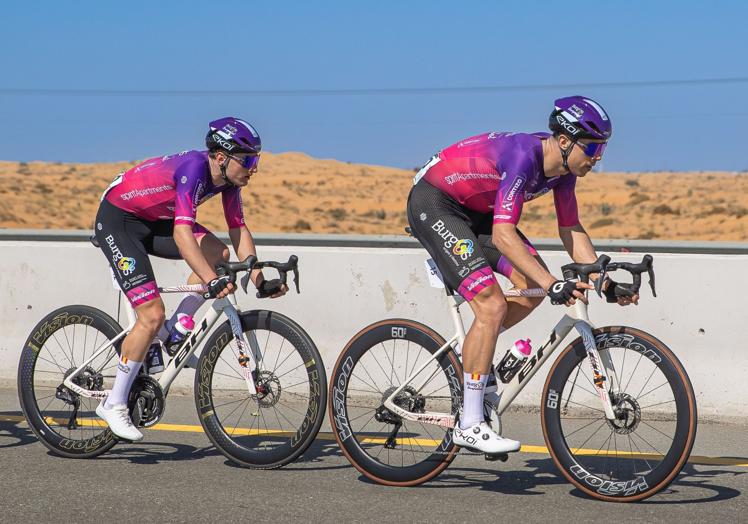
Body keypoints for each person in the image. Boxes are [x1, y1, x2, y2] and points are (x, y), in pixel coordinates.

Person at [406, 96, 638, 454]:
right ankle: (469, 423)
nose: (597, 157)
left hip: (474, 212)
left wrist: (603, 281)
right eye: (592, 147)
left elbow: (571, 228)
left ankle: (477, 367)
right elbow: (503, 235)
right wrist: (553, 283)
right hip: (436, 202)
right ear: (564, 141)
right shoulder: (523, 158)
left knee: (530, 287)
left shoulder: (562, 174)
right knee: (493, 305)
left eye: (602, 147)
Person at [93, 117, 287, 441]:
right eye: (249, 160)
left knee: (218, 255)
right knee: (151, 315)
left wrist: (257, 278)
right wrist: (211, 282)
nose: (254, 168)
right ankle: (114, 403)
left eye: (257, 160)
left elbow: (237, 228)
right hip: (119, 220)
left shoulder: (228, 181)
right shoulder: (195, 168)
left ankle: (179, 324)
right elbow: (183, 236)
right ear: (222, 157)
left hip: (153, 220)